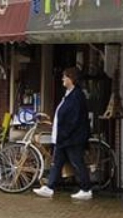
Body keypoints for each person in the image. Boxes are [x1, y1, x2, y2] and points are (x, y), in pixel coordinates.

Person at [34, 67, 92, 201]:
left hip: (72, 138)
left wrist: (64, 133)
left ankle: (86, 189)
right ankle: (49, 187)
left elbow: (74, 118)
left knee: (77, 162)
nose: (62, 79)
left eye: (65, 77)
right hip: (63, 138)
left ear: (71, 79)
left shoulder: (77, 95)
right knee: (57, 163)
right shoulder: (68, 94)